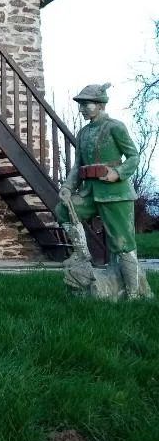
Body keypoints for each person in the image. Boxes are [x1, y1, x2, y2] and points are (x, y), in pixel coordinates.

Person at [55, 83, 141, 299]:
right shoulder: (83, 133)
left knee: (122, 244)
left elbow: (133, 156)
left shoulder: (115, 127)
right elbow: (78, 166)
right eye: (80, 104)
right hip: (90, 192)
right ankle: (82, 257)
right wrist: (67, 187)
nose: (82, 108)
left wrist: (118, 173)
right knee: (64, 210)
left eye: (86, 104)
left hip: (115, 194)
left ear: (101, 104)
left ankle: (133, 294)